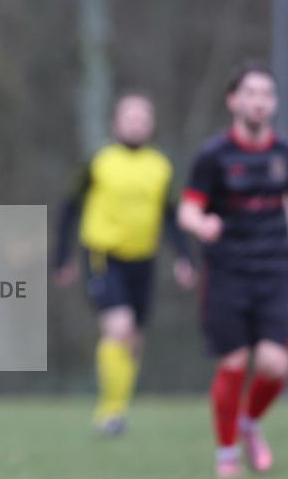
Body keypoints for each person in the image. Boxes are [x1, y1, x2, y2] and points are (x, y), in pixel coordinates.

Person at [178, 61, 288, 478]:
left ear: (273, 103)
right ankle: (227, 453)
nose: (259, 101)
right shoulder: (213, 156)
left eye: (266, 94)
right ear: (233, 100)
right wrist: (203, 224)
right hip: (227, 273)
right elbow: (187, 209)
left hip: (272, 271)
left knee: (276, 366)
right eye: (250, 93)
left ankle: (249, 423)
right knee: (233, 363)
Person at [54, 92, 195, 435]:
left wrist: (184, 258)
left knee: (133, 340)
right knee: (118, 327)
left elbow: (171, 215)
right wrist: (61, 257)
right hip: (103, 255)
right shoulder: (99, 160)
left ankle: (118, 408)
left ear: (151, 124)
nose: (136, 123)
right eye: (129, 117)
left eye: (142, 117)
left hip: (143, 260)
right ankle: (110, 412)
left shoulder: (160, 165)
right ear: (117, 121)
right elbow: (70, 208)